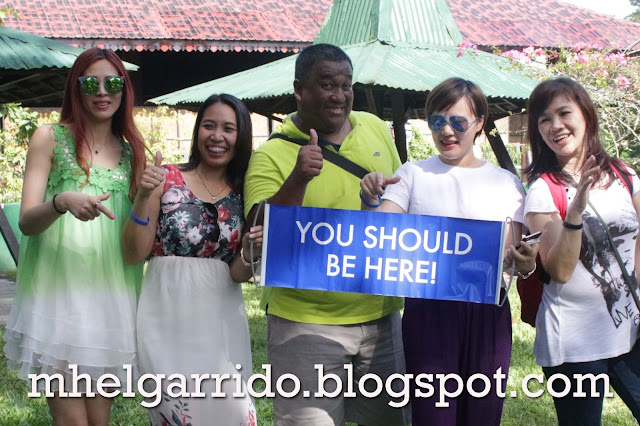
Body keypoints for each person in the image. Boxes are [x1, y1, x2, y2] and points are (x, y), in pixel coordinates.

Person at [243, 43, 410, 425]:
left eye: (346, 85)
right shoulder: (271, 154)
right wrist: (298, 178)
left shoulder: (373, 127)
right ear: (299, 90)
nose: (339, 95)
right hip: (303, 323)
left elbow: (402, 199)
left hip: (380, 318)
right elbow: (260, 227)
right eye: (327, 84)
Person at [360, 77, 537, 425]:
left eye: (458, 121)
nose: (446, 131)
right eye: (437, 121)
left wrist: (525, 263)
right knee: (433, 415)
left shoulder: (505, 182)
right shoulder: (412, 175)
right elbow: (378, 237)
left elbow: (514, 256)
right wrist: (370, 199)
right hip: (427, 311)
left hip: (488, 312)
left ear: (479, 123)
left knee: (483, 416)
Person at [3, 48, 146, 425]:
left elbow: (137, 233)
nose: (102, 92)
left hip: (111, 300)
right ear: (75, 88)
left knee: (99, 421)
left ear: (124, 89)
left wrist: (150, 192)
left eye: (112, 82)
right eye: (90, 83)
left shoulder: (132, 153)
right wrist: (61, 202)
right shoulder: (49, 137)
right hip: (58, 298)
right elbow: (27, 222)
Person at [122, 93, 260, 426]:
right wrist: (143, 195)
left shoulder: (244, 192)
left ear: (241, 136)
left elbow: (237, 273)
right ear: (198, 131)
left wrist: (249, 253)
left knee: (231, 413)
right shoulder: (165, 179)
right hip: (165, 317)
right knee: (177, 414)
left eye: (228, 128)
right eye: (209, 126)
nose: (217, 136)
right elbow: (132, 254)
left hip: (222, 322)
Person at [523, 77, 640, 425]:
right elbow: (559, 270)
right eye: (545, 119)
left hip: (630, 332)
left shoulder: (624, 174)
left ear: (586, 114)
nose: (556, 126)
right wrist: (575, 211)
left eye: (564, 113)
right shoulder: (543, 189)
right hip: (574, 344)